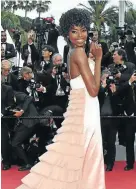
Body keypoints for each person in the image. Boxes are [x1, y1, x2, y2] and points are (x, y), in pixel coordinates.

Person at [17, 8, 105, 189]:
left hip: (81, 106)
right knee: (88, 153)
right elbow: (94, 90)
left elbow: (80, 78)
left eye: (83, 30)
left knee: (74, 154)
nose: (80, 35)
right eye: (74, 31)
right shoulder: (78, 53)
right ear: (66, 33)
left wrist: (90, 58)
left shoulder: (74, 52)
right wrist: (98, 60)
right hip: (86, 108)